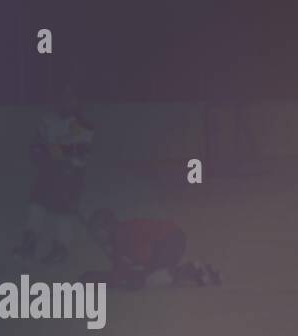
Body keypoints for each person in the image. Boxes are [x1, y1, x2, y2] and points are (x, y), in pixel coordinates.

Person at [12, 84, 94, 265]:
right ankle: (29, 244)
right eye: (64, 97)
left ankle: (61, 248)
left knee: (63, 212)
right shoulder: (48, 120)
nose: (67, 102)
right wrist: (41, 156)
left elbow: (80, 153)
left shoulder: (83, 126)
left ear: (78, 102)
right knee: (36, 205)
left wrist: (62, 159)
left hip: (70, 175)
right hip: (47, 173)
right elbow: (36, 145)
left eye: (72, 98)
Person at [82, 209, 220, 290]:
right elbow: (122, 269)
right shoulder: (120, 235)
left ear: (108, 227)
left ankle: (192, 269)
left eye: (97, 231)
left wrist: (132, 272)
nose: (95, 236)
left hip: (169, 239)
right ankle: (195, 273)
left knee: (151, 278)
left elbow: (143, 257)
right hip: (172, 237)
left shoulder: (122, 236)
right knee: (149, 277)